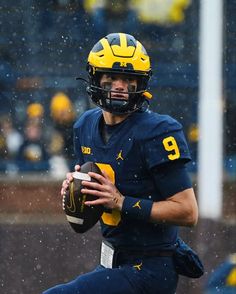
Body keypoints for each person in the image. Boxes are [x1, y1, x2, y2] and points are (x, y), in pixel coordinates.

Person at [43, 33, 199, 294]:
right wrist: (78, 190)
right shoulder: (85, 126)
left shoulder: (158, 131)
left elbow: (187, 211)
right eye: (111, 78)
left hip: (150, 268)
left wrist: (121, 202)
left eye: (128, 79)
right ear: (95, 79)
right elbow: (92, 206)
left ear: (141, 83)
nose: (120, 86)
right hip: (111, 264)